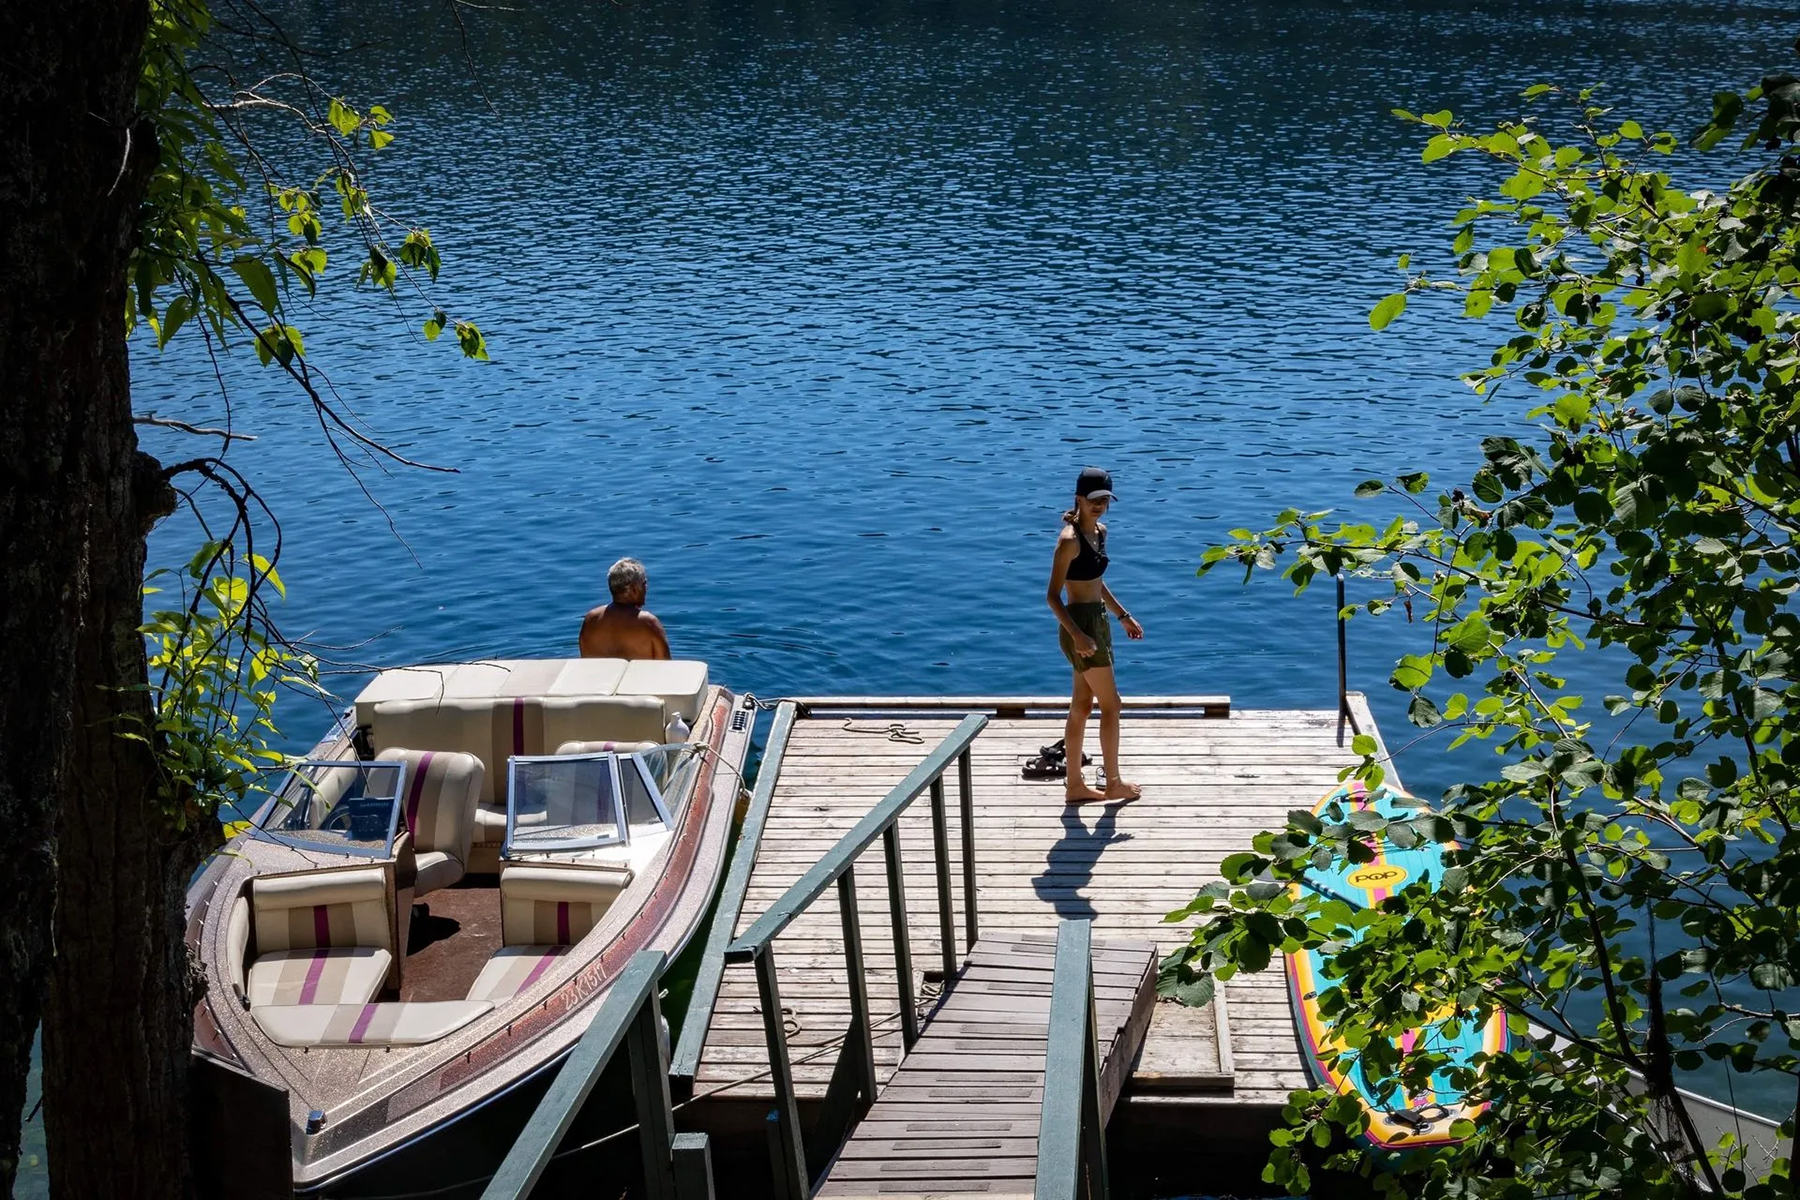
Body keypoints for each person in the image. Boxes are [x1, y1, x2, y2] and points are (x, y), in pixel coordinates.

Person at [1046, 467, 1143, 803]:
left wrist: (1122, 615)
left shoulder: (1100, 533)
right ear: (1079, 499)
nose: (1100, 505)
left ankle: (1075, 785)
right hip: (1080, 625)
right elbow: (1052, 596)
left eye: (1105, 499)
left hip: (1097, 621)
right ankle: (1113, 782)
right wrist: (1078, 636)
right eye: (1093, 499)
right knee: (1112, 704)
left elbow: (1095, 582)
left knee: (1082, 705)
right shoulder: (1068, 542)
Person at [579, 557, 672, 660]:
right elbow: (665, 667)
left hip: (599, 676)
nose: (646, 587)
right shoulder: (648, 623)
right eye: (644, 583)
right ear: (634, 589)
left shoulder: (591, 620)